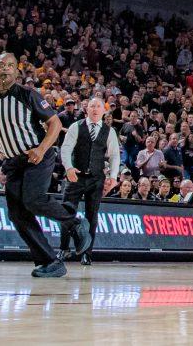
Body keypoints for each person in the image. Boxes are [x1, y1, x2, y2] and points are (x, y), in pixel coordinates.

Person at [0, 54, 89, 278]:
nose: (5, 69)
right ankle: (50, 261)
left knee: (32, 199)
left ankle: (74, 223)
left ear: (16, 72)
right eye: (1, 65)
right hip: (13, 161)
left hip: (37, 155)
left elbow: (55, 123)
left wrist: (41, 149)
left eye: (10, 66)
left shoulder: (27, 94)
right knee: (17, 214)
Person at [58, 97, 119, 265]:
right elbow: (66, 148)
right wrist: (68, 168)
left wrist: (113, 177)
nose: (95, 109)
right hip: (75, 177)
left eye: (98, 106)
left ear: (104, 111)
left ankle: (87, 253)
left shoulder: (109, 131)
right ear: (86, 109)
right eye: (92, 106)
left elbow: (114, 155)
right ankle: (63, 249)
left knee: (92, 216)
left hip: (96, 179)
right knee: (66, 213)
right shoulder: (75, 126)